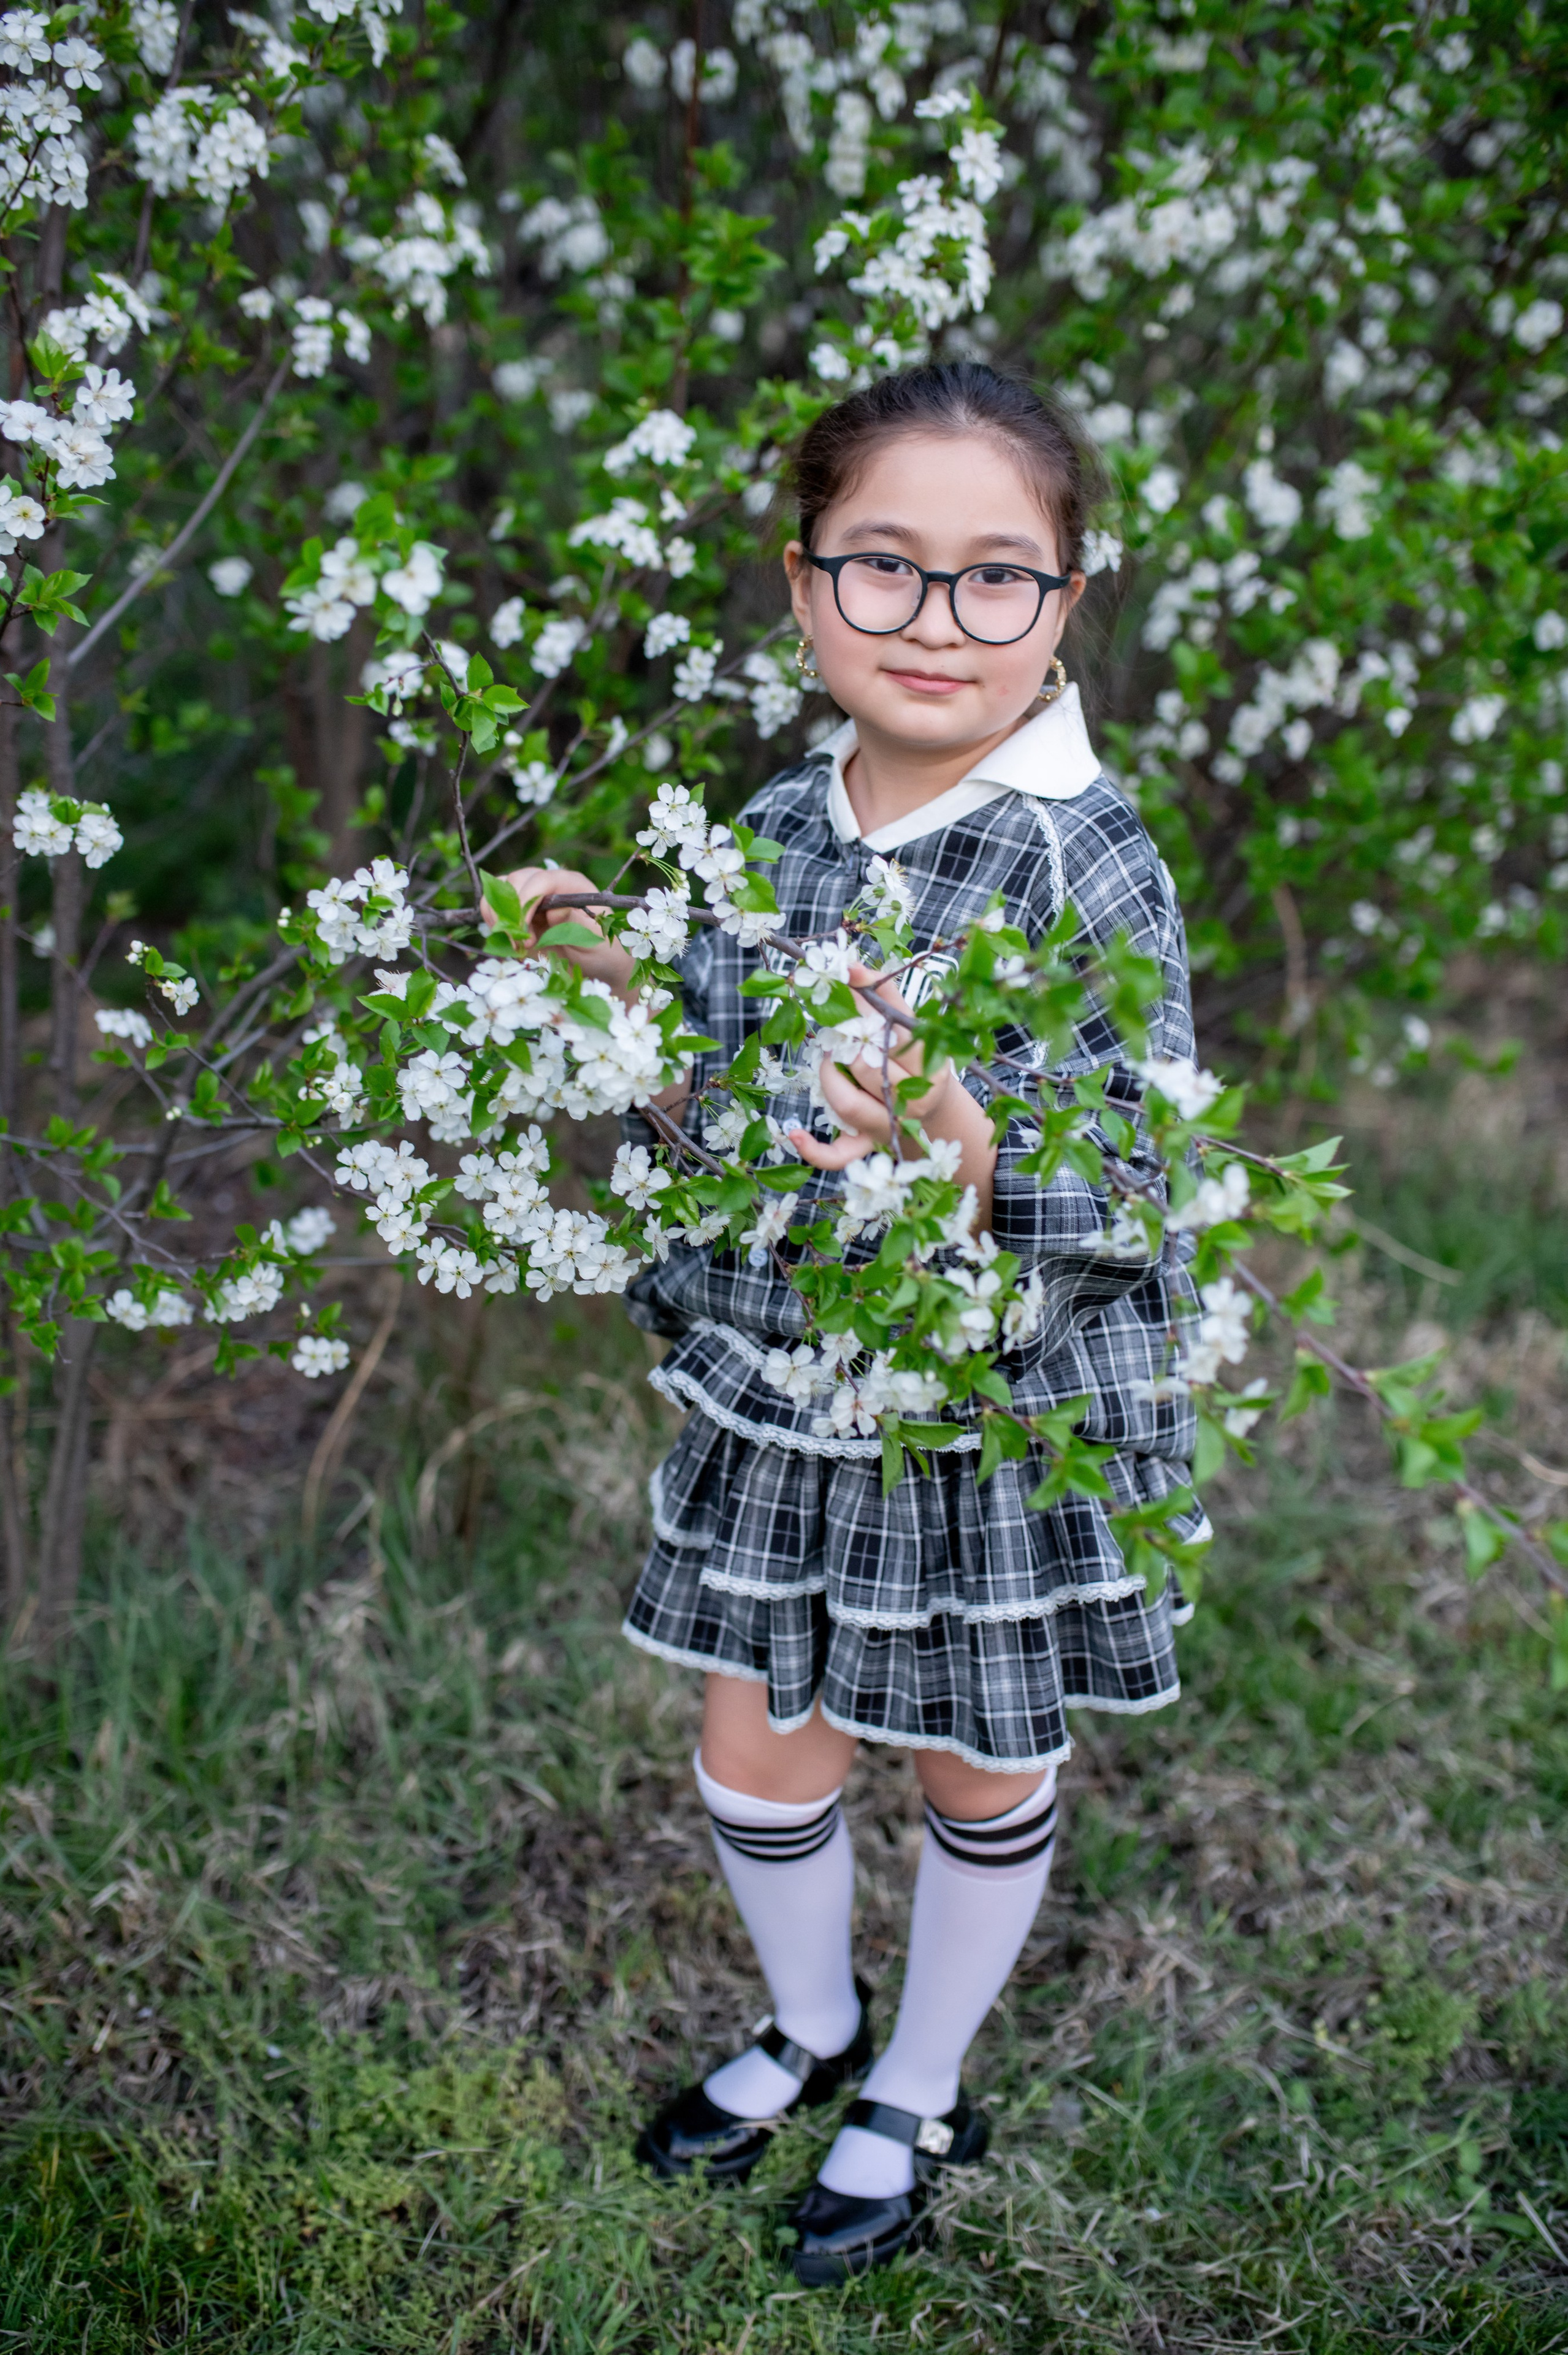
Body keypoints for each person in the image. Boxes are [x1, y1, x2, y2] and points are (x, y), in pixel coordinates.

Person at [503, 361, 1207, 2286]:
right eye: (884, 568)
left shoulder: (1082, 854)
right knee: (758, 1748)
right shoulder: (775, 815)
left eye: (999, 578)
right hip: (789, 1390)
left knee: (978, 1758)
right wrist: (624, 996)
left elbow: (1141, 1171)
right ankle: (808, 2022)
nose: (937, 621)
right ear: (803, 585)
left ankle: (918, 2073)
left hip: (994, 1403)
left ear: (1067, 604)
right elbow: (726, 1106)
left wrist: (981, 1160)